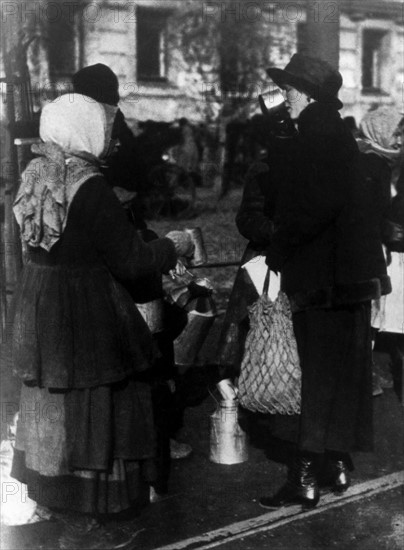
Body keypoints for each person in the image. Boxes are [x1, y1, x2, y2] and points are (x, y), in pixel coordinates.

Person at [8, 94, 193, 538]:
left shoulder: (34, 171)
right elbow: (130, 261)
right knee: (100, 398)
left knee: (53, 396)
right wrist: (174, 246)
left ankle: (52, 495)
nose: (107, 140)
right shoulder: (89, 185)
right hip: (85, 303)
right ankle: (93, 509)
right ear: (86, 129)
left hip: (40, 297)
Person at [255, 54, 390, 509]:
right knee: (341, 377)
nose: (285, 99)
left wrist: (279, 249)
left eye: (290, 91)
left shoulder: (313, 135)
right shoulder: (339, 135)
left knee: (310, 376)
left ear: (306, 94)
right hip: (350, 278)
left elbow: (307, 206)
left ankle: (305, 477)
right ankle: (333, 466)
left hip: (321, 279)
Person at [73, 63, 194, 469]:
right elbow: (137, 179)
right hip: (121, 239)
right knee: (149, 344)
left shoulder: (69, 127)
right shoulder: (111, 124)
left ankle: (126, 440)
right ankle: (155, 437)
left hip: (92, 258)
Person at [356, 107, 404, 395]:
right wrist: (384, 229)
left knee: (380, 313)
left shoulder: (384, 161)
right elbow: (366, 212)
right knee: (372, 313)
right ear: (381, 132)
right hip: (373, 249)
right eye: (395, 132)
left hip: (385, 248)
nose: (399, 138)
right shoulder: (371, 164)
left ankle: (373, 371)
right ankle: (365, 374)